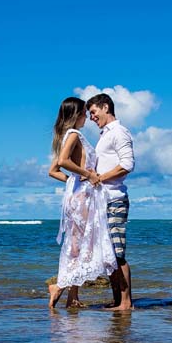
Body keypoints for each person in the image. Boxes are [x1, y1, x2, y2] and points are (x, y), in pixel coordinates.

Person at [46, 97, 117, 310]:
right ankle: (59, 287)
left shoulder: (69, 135)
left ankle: (72, 297)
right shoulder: (74, 134)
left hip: (79, 194)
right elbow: (62, 163)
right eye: (84, 114)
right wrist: (87, 174)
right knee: (80, 245)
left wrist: (73, 181)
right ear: (76, 115)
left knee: (76, 244)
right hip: (82, 198)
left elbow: (53, 171)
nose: (87, 117)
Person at [86, 93, 135, 310]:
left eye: (94, 112)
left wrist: (99, 178)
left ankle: (125, 303)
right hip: (102, 200)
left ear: (106, 107)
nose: (91, 117)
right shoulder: (104, 135)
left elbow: (127, 165)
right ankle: (117, 300)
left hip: (115, 199)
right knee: (109, 254)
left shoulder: (119, 132)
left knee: (117, 253)